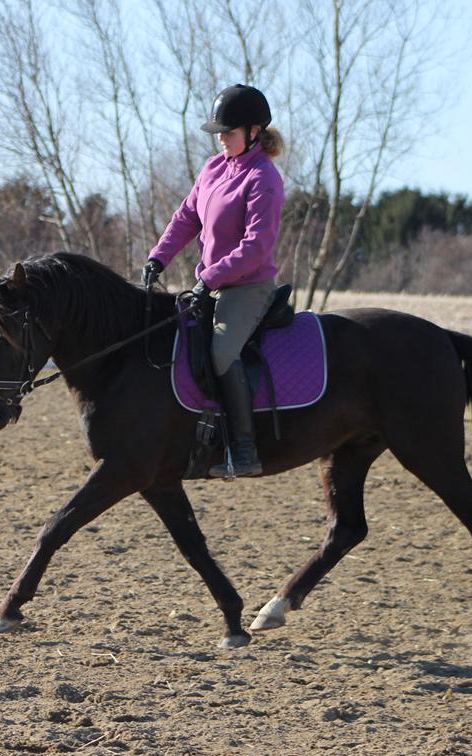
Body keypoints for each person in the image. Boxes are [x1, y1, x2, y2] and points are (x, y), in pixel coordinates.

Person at [142, 84, 285, 478]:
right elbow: (187, 216)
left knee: (221, 352)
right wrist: (159, 257)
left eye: (229, 132)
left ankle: (243, 447)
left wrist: (209, 276)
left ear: (254, 132)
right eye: (218, 132)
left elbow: (256, 247)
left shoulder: (264, 178)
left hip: (248, 287)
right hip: (213, 283)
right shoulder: (214, 167)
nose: (221, 138)